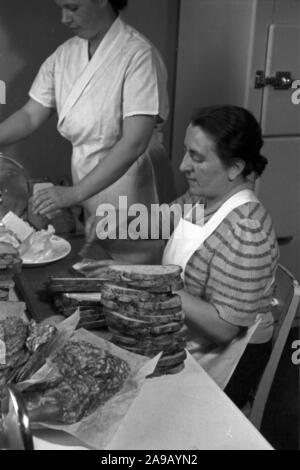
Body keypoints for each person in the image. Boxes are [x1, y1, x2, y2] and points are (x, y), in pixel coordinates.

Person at [0, 0, 175, 262]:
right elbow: (30, 114)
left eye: (73, 8)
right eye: (60, 8)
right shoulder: (65, 55)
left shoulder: (137, 54)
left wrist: (73, 193)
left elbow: (134, 142)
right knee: (97, 266)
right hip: (89, 186)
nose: (64, 18)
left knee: (135, 272)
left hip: (132, 187)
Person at [161, 106, 279, 407]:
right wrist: (110, 224)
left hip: (225, 361)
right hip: (189, 336)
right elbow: (160, 221)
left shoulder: (245, 230)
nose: (183, 166)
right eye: (186, 152)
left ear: (235, 168)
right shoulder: (201, 198)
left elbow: (224, 328)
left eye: (197, 157)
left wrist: (156, 284)